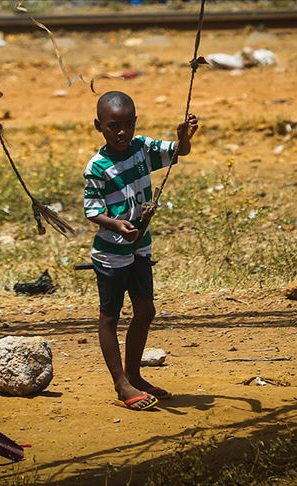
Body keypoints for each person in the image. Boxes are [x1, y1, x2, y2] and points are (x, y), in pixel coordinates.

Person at [83, 91, 199, 411]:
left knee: (146, 310)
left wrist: (183, 138)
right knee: (109, 316)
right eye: (113, 126)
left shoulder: (143, 148)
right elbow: (92, 212)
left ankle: (134, 374)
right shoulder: (98, 167)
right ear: (99, 126)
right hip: (111, 251)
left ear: (136, 123)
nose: (122, 132)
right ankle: (121, 384)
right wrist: (116, 225)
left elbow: (177, 153)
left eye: (128, 125)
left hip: (140, 246)